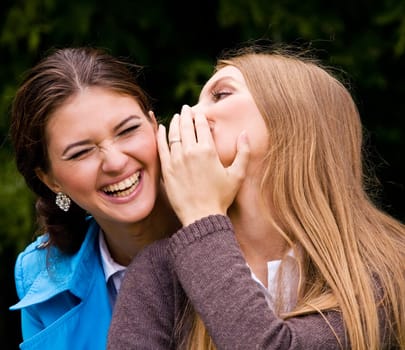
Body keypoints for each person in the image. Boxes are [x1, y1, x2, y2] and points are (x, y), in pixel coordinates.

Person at [108, 44, 405, 349]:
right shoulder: (158, 271)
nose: (192, 114)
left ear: (294, 115)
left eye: (221, 95)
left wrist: (203, 217)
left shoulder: (387, 263)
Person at [8, 47, 183, 349]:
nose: (114, 162)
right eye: (81, 152)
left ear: (154, 125)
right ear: (50, 180)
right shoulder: (39, 275)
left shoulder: (241, 223)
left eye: (128, 130)